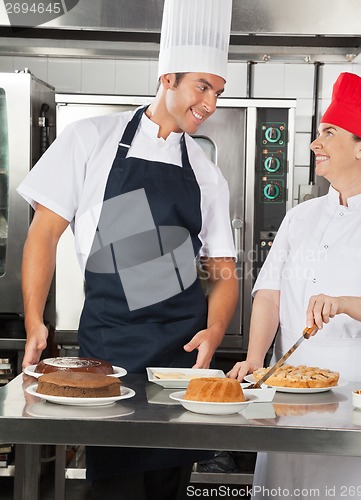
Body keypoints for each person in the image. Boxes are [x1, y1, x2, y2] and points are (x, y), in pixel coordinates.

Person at [17, 0, 237, 498]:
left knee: (168, 487)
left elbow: (222, 268)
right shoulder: (91, 140)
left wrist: (215, 330)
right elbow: (43, 234)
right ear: (167, 80)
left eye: (218, 92)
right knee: (114, 486)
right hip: (110, 354)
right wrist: (35, 320)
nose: (211, 103)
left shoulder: (205, 173)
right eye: (202, 86)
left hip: (180, 359)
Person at [228, 72, 361, 498]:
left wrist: (342, 302)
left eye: (329, 133)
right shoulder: (300, 217)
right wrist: (254, 360)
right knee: (289, 486)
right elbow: (269, 293)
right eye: (318, 132)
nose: (314, 144)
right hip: (288, 382)